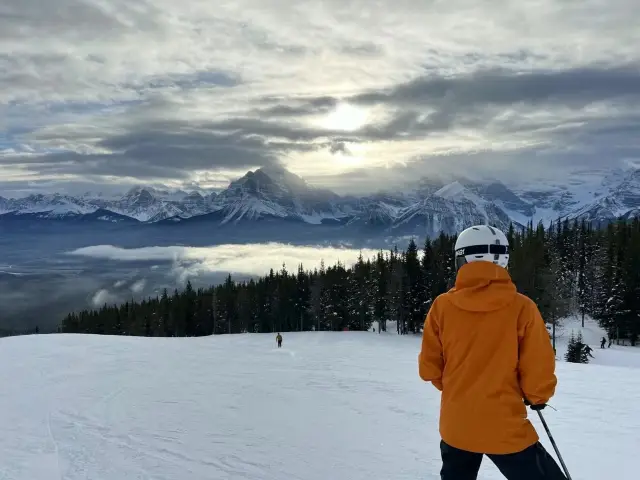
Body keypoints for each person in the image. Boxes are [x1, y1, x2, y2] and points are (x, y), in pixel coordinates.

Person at [418, 225, 567, 480]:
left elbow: (430, 368)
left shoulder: (442, 306)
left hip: (457, 425)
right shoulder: (522, 307)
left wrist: (461, 388)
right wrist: (537, 396)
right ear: (503, 260)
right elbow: (537, 367)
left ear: (462, 259)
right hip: (505, 427)